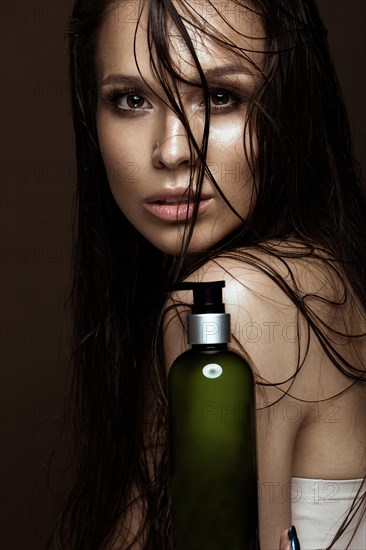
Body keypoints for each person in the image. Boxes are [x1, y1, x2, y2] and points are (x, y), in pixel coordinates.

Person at [49, 0, 366, 548]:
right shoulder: (329, 278)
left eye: (221, 96)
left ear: (291, 104)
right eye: (130, 99)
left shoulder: (232, 303)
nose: (172, 150)